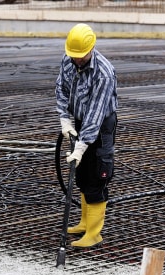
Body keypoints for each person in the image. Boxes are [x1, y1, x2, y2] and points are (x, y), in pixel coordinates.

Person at [55, 23, 118, 248]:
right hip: (80, 120)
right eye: (74, 56)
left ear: (92, 48)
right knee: (81, 174)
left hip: (100, 125)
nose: (77, 60)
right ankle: (84, 222)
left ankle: (94, 233)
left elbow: (95, 114)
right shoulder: (68, 59)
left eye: (81, 56)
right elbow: (61, 88)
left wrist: (81, 147)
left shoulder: (103, 72)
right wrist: (65, 119)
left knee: (97, 175)